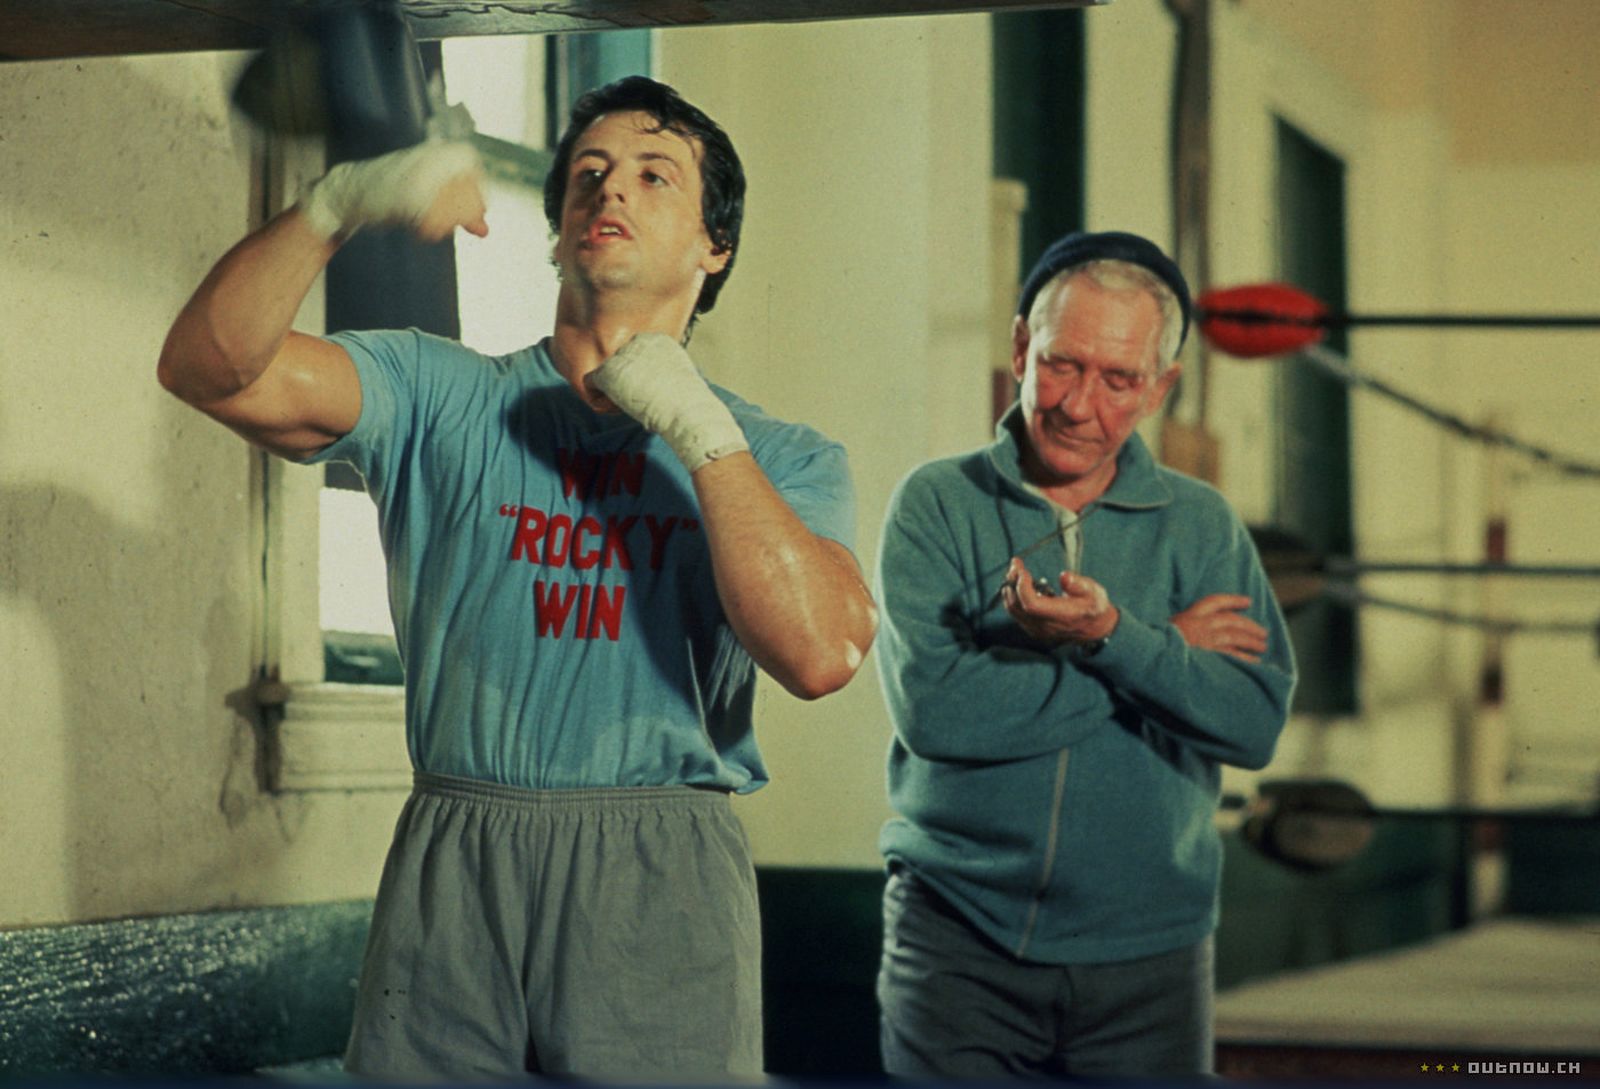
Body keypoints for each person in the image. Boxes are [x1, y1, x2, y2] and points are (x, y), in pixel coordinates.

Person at [159, 75, 876, 1080]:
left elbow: (821, 653)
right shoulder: (438, 392)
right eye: (588, 172)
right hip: (456, 854)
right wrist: (334, 206)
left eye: (653, 175)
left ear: (714, 246)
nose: (609, 188)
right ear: (556, 233)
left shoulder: (781, 456)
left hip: (658, 867)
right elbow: (206, 367)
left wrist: (704, 434)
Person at [873, 230, 1296, 1078]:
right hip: (958, 938)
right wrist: (1157, 650)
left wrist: (1112, 637)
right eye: (1061, 364)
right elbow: (939, 714)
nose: (1078, 404)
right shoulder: (938, 503)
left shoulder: (1201, 525)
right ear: (1021, 348)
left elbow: (1251, 725)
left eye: (1119, 379)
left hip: (1151, 957)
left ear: (1161, 387)